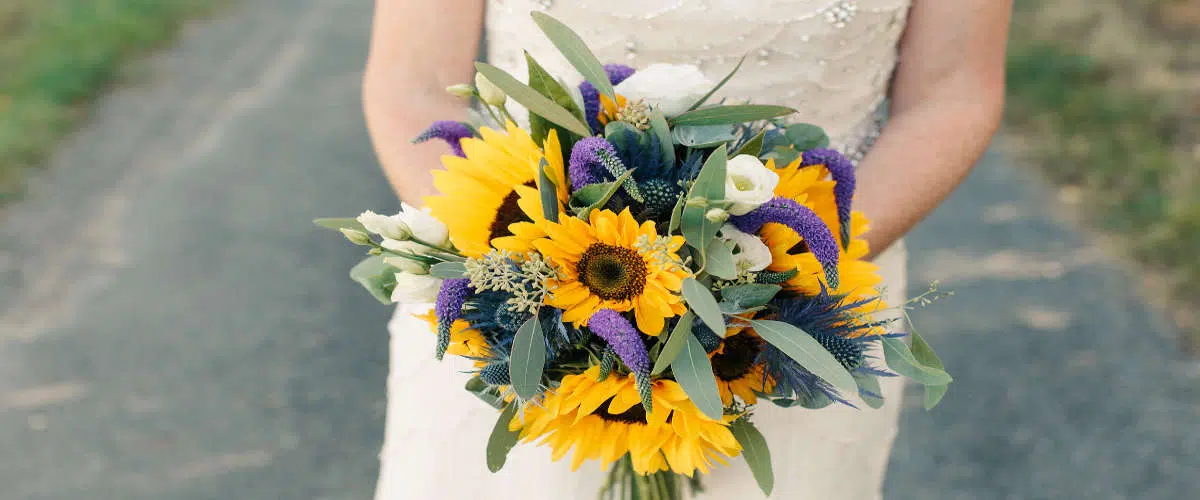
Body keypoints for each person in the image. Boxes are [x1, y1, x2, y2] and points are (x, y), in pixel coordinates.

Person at [362, 1, 1009, 498]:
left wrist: (782, 278)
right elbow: (412, 80)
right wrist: (515, 272)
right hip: (520, 304)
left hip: (798, 313)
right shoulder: (517, 285)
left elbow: (950, 92)